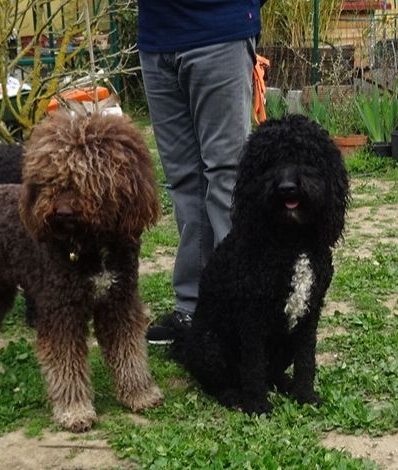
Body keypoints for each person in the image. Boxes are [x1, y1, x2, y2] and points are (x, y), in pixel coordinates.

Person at [138, 1, 266, 344]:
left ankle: (239, 311)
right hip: (157, 39)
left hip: (219, 33)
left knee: (228, 178)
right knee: (184, 182)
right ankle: (192, 308)